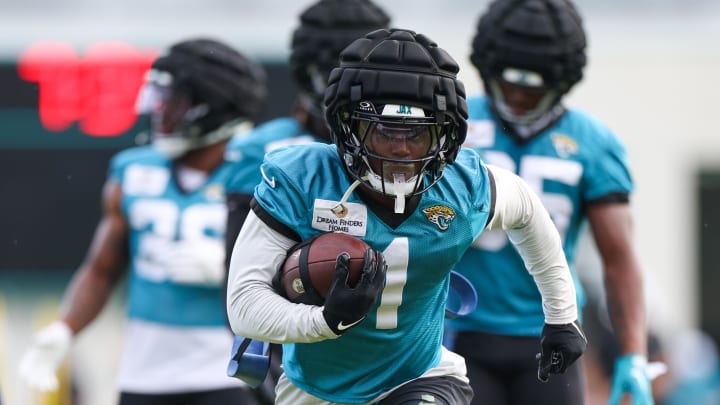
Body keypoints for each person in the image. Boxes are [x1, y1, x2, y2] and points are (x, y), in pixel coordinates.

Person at [226, 27, 587, 405]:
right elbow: (245, 305)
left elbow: (527, 211)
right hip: (315, 389)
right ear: (349, 129)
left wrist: (562, 316)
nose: (400, 151)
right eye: (384, 133)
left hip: (420, 376)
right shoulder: (303, 179)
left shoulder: (463, 186)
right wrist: (326, 321)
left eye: (417, 135)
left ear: (445, 138)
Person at [18, 38, 267, 405]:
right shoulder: (133, 171)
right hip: (145, 372)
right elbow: (102, 270)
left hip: (229, 369)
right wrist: (65, 327)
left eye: (174, 101)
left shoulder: (261, 174)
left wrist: (231, 270)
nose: (159, 110)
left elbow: (294, 272)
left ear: (211, 108)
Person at [446, 0, 651, 404]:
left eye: (532, 88)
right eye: (510, 84)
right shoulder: (454, 124)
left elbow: (619, 257)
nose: (519, 98)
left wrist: (634, 355)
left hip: (552, 334)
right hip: (458, 329)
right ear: (488, 71)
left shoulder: (592, 143)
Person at [224, 0, 391, 258]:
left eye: (360, 81)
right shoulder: (258, 150)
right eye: (331, 78)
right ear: (306, 73)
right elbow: (239, 265)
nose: (345, 94)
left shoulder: (406, 145)